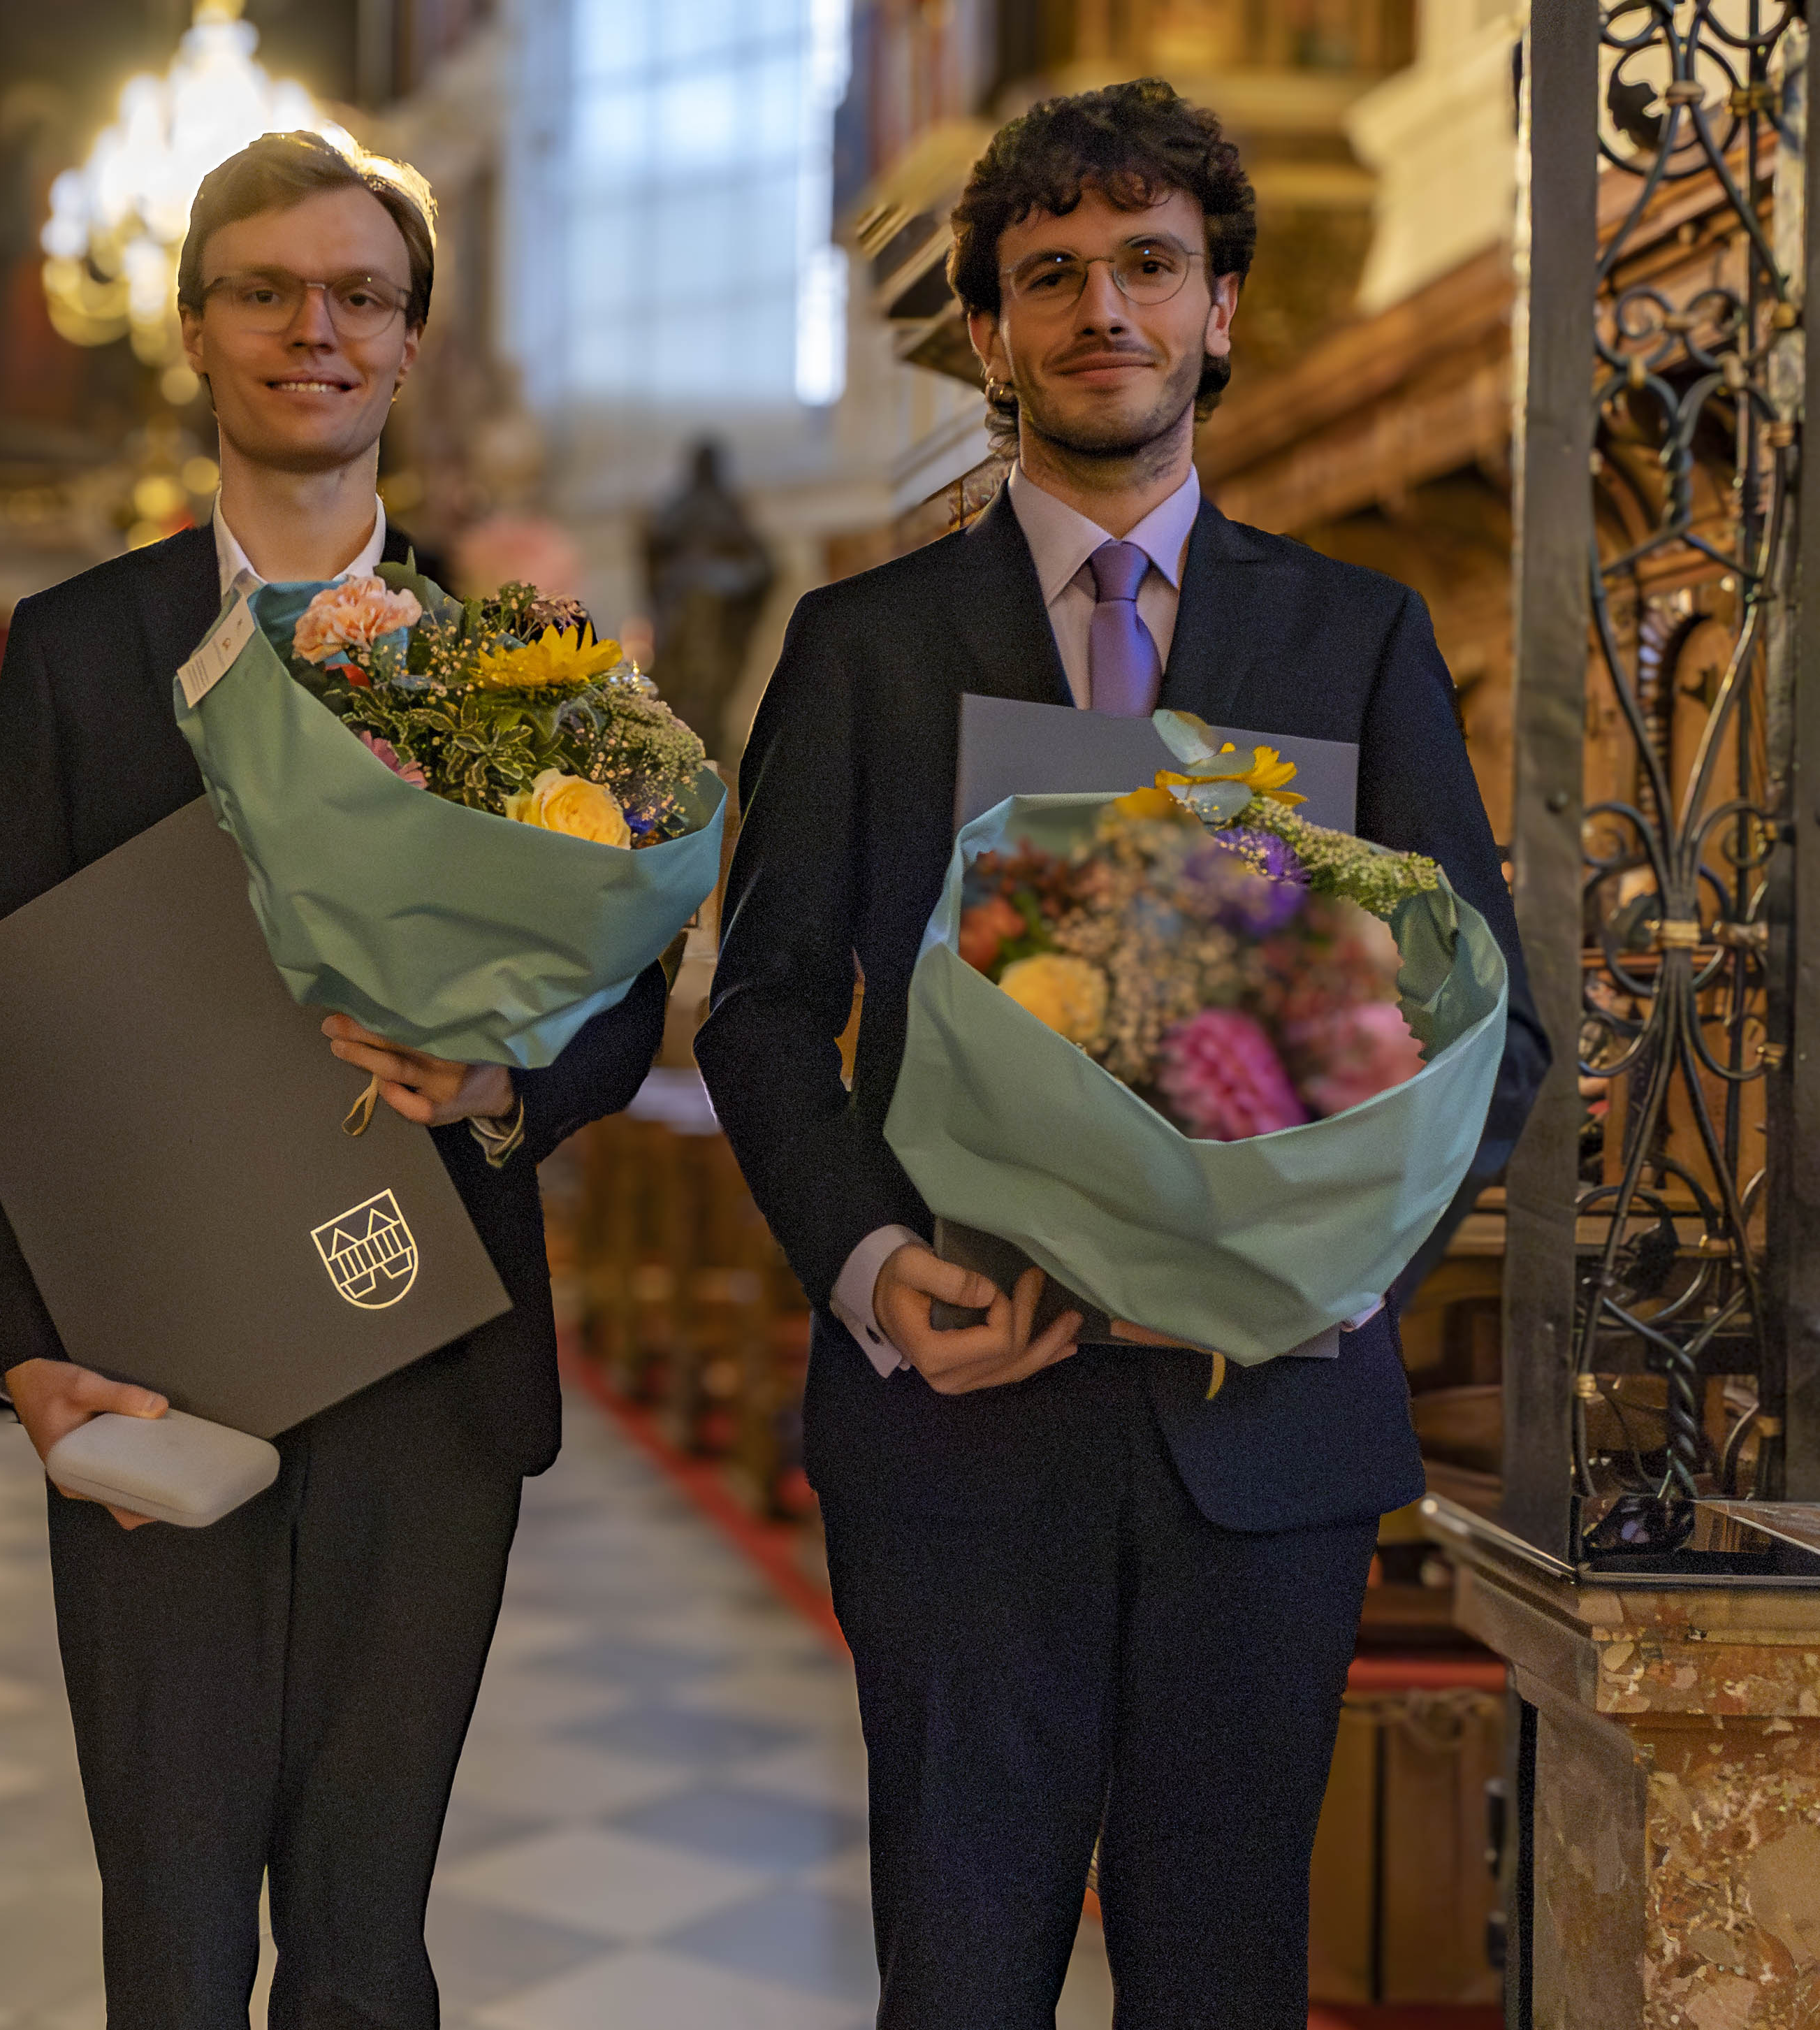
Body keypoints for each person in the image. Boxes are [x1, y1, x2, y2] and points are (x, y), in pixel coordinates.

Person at [692, 81, 1549, 2029]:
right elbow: (762, 1006)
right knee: (959, 1975)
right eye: (1051, 272)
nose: (1104, 308)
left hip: (1262, 1432)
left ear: (1217, 308)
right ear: (988, 332)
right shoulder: (863, 646)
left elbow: (1488, 1028)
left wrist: (1331, 1271)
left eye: (1149, 265)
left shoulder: (1353, 638)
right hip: (961, 1423)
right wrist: (868, 1270)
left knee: (1222, 1979)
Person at [0, 132, 665, 2029]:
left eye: (358, 294)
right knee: (172, 1935)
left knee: (363, 1933)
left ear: (411, 342)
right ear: (191, 328)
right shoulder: (77, 650)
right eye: (262, 291)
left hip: (429, 1355)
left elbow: (626, 973)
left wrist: (502, 1080)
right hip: (156, 1355)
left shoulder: (505, 651)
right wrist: (25, 1359)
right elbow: (2, 1027)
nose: (312, 330)